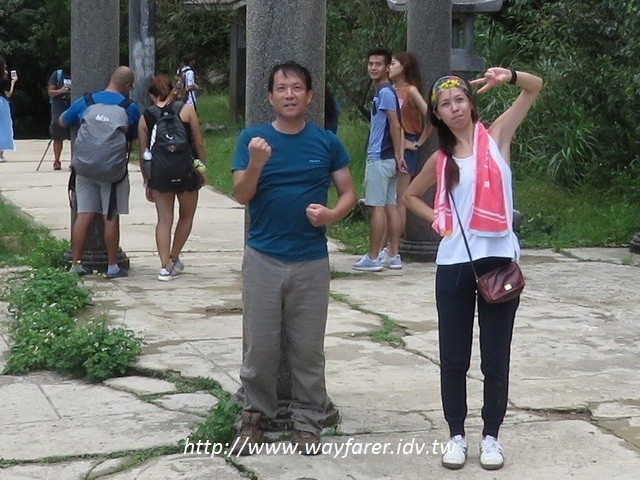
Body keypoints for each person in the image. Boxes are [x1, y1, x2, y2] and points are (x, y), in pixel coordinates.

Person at [403, 68, 543, 470]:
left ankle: (491, 437)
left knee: (495, 357)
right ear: (439, 115)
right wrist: (439, 221)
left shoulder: (497, 136)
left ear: (470, 103)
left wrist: (511, 76)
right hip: (454, 264)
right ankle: (456, 435)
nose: (455, 108)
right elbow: (411, 195)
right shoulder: (440, 159)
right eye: (445, 104)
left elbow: (535, 88)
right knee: (454, 357)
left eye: (460, 100)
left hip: (498, 260)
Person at [230, 61, 356, 455]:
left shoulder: (327, 142)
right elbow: (240, 195)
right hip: (264, 256)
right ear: (270, 96)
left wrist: (332, 215)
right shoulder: (253, 139)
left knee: (307, 347)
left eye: (296, 88)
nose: (289, 94)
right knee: (261, 346)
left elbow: (349, 193)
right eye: (281, 88)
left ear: (309, 96)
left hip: (311, 259)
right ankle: (253, 418)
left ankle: (307, 421)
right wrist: (256, 163)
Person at [59, 66, 140, 278]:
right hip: (112, 172)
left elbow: (63, 120)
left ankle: (76, 263)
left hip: (84, 168)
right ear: (128, 86)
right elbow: (134, 135)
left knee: (83, 214)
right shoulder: (129, 107)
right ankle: (112, 266)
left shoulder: (87, 101)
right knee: (109, 216)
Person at [137, 75, 206, 281]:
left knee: (164, 220)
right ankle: (174, 257)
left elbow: (144, 154)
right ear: (171, 91)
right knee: (186, 216)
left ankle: (165, 266)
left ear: (151, 94)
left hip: (160, 174)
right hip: (186, 172)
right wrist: (201, 168)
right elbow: (199, 143)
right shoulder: (186, 110)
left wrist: (148, 181)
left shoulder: (146, 117)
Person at [352, 47, 405, 272]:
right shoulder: (387, 91)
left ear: (386, 67)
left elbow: (395, 124)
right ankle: (393, 254)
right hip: (389, 159)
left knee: (376, 207)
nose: (374, 68)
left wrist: (397, 153)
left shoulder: (385, 92)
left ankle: (373, 256)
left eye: (379, 64)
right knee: (391, 205)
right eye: (371, 64)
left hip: (380, 158)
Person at [388, 51, 432, 237]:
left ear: (404, 67)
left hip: (408, 144)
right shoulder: (388, 90)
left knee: (400, 198)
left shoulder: (411, 91)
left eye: (393, 63)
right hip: (388, 144)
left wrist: (417, 143)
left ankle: (395, 247)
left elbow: (431, 116)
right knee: (387, 198)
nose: (389, 67)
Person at [48, 61, 72, 170]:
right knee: (57, 134)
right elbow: (50, 92)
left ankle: (74, 161)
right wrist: (60, 91)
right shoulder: (57, 75)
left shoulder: (78, 73)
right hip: (59, 106)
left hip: (72, 105)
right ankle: (57, 160)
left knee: (76, 133)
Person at [0, 56, 18, 162]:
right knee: (4, 127)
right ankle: (0, 154)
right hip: (2, 102)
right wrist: (13, 82)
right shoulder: (4, 77)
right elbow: (8, 94)